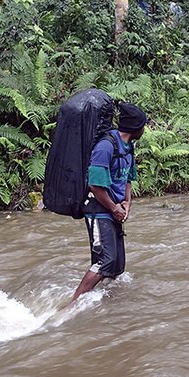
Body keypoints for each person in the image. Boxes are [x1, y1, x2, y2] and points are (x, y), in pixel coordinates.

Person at [69, 102, 148, 305]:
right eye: (143, 125)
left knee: (118, 265)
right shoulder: (106, 146)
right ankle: (72, 304)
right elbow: (95, 185)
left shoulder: (128, 147)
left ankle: (110, 306)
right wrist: (114, 209)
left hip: (115, 209)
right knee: (105, 261)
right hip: (99, 210)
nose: (144, 129)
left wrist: (126, 204)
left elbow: (128, 179)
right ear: (134, 127)